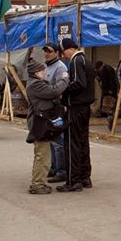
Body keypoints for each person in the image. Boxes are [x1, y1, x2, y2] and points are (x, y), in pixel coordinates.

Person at [58, 37, 95, 192]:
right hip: (85, 107)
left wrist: (62, 89)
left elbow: (79, 83)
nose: (63, 56)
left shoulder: (75, 61)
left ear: (69, 49)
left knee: (72, 144)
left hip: (76, 107)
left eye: (63, 52)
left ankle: (73, 180)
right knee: (82, 142)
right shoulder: (87, 60)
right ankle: (85, 176)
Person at [25, 58, 65, 195]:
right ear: (36, 72)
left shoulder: (36, 83)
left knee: (42, 154)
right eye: (42, 71)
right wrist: (64, 79)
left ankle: (39, 181)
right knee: (42, 155)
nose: (45, 73)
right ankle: (37, 184)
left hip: (40, 122)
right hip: (39, 123)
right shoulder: (35, 85)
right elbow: (53, 91)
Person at [42, 42, 69, 185]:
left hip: (56, 107)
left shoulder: (60, 68)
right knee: (51, 140)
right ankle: (53, 167)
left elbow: (60, 87)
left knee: (58, 141)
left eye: (50, 51)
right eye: (45, 51)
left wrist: (48, 92)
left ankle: (62, 171)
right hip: (49, 108)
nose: (46, 53)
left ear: (57, 52)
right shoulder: (47, 66)